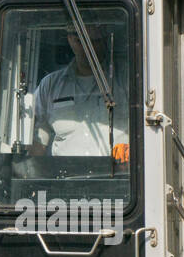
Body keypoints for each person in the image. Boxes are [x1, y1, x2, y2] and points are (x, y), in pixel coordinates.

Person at [28, 24, 129, 162]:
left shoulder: (126, 79)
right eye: (80, 41)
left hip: (116, 176)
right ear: (70, 40)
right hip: (65, 179)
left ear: (105, 40)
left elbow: (144, 126)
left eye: (95, 41)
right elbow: (38, 135)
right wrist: (29, 172)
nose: (88, 48)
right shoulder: (50, 85)